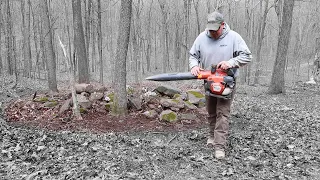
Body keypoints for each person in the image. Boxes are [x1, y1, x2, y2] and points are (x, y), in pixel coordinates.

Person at [189, 11, 252, 159]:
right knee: (211, 111)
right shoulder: (201, 37)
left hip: (227, 82)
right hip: (209, 80)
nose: (212, 32)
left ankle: (220, 146)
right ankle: (211, 135)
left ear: (222, 25)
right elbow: (193, 55)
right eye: (210, 29)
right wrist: (194, 66)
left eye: (215, 29)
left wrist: (230, 63)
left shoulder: (234, 38)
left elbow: (247, 56)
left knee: (222, 113)